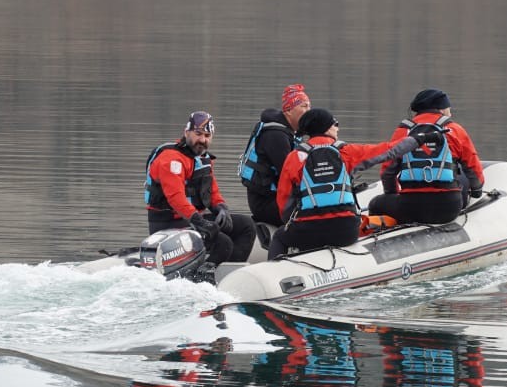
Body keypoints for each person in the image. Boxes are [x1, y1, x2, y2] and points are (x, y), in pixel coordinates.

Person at [268, 107, 441, 260]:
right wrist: (420, 139)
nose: (338, 127)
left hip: (308, 231)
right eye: (335, 123)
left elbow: (284, 203)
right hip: (346, 231)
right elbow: (389, 150)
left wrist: (295, 224)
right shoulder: (347, 152)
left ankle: (274, 273)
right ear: (327, 128)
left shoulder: (294, 158)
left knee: (279, 238)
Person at [145, 111, 257, 266]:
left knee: (246, 225)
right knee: (223, 243)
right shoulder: (171, 159)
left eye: (207, 136)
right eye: (198, 134)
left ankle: (229, 275)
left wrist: (222, 209)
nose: (202, 140)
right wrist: (200, 222)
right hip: (169, 223)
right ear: (187, 132)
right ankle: (203, 278)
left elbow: (212, 192)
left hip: (191, 220)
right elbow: (175, 198)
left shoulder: (202, 159)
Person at [367, 88, 486, 226]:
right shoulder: (455, 130)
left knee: (375, 204)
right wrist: (477, 191)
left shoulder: (403, 131)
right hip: (449, 208)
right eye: (448, 108)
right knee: (463, 181)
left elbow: (387, 172)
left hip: (410, 208)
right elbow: (473, 167)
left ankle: (384, 235)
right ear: (441, 109)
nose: (450, 113)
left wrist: (392, 195)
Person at [237, 82, 310, 228]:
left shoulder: (290, 133)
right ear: (288, 111)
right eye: (304, 106)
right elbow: (291, 174)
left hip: (277, 198)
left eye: (309, 106)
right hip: (266, 204)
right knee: (314, 210)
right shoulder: (276, 136)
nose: (309, 111)